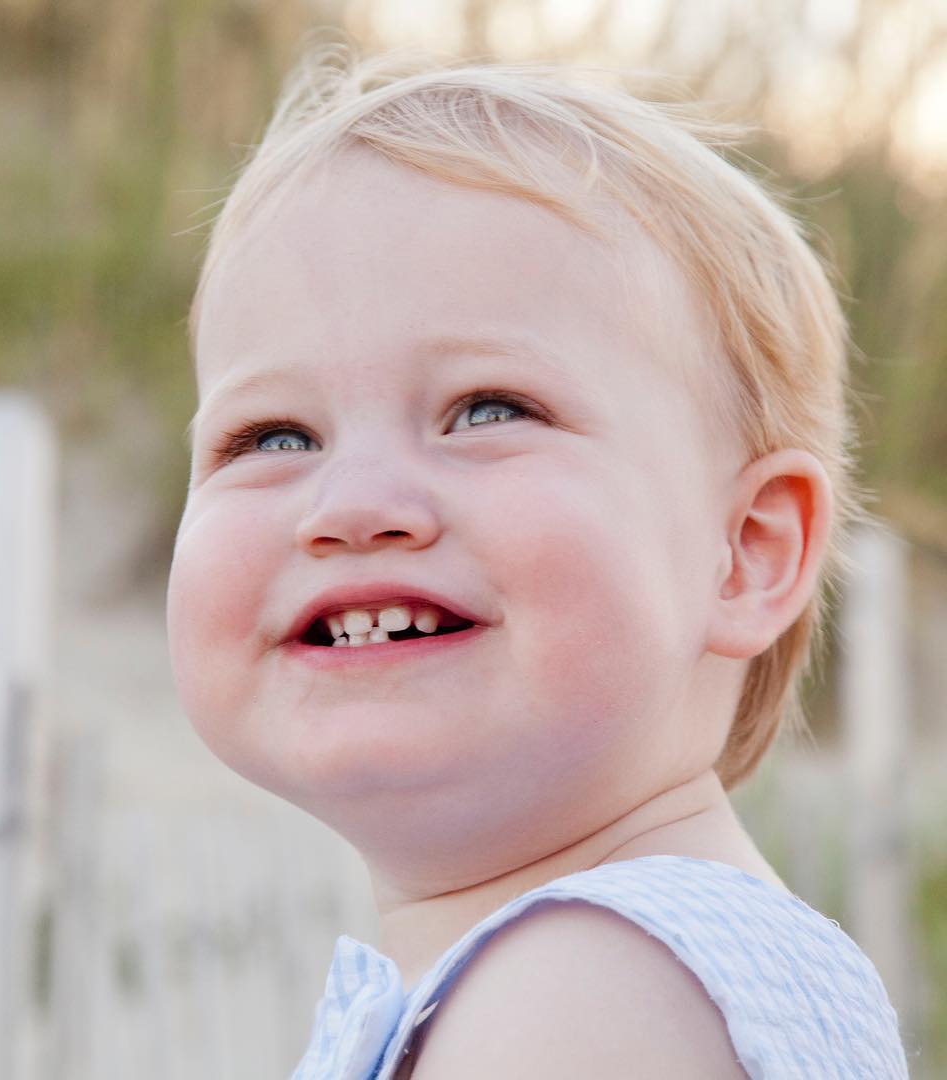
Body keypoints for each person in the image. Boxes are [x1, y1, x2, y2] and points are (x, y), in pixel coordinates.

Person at [165, 41, 910, 1079]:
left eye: (487, 410)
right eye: (274, 438)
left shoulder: (591, 991)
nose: (351, 508)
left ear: (743, 553)